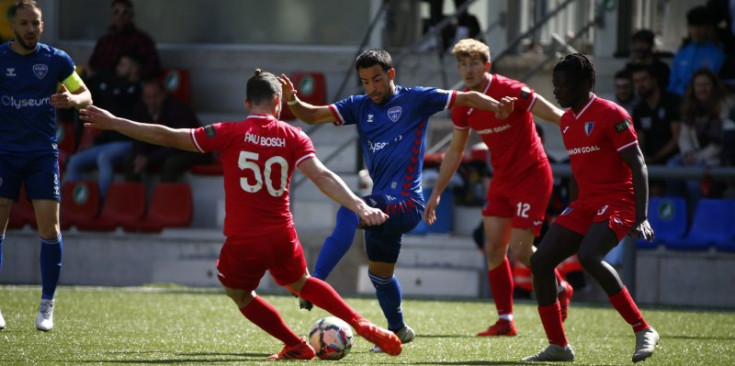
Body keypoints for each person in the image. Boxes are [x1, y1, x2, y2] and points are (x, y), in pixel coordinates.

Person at [79, 69, 403, 360]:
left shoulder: (228, 132)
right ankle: (359, 322)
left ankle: (296, 345)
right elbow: (323, 176)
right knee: (301, 282)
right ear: (278, 102)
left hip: (244, 237)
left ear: (247, 103)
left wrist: (114, 121)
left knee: (239, 292)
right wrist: (360, 206)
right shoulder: (294, 136)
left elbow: (168, 135)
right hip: (282, 233)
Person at [279, 48, 515, 352]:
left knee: (349, 210)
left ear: (391, 74)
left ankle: (313, 286)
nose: (372, 88)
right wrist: (293, 101)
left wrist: (497, 107)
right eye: (365, 81)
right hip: (382, 204)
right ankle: (399, 329)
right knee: (380, 274)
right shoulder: (358, 106)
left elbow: (467, 98)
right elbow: (313, 114)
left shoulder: (416, 99)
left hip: (406, 203)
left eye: (377, 79)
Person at [423, 38, 573, 337]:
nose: (468, 69)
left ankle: (561, 286)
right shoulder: (463, 103)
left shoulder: (512, 90)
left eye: (474, 63)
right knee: (493, 249)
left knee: (520, 250)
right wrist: (436, 192)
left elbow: (556, 116)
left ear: (487, 65)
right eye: (463, 64)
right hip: (502, 179)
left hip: (532, 175)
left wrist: (589, 139)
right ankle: (505, 320)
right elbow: (454, 151)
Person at [523, 53, 658, 363]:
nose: (557, 92)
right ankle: (558, 345)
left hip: (619, 202)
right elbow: (580, 168)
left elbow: (638, 164)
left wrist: (642, 217)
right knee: (541, 261)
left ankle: (643, 329)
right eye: (555, 85)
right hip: (586, 203)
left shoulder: (612, 113)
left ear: (587, 84)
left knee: (588, 256)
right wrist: (572, 209)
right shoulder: (568, 120)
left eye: (564, 86)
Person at [0, 0, 92, 332]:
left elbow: (86, 95)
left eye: (35, 23)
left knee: (49, 229)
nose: (30, 29)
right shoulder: (1, 58)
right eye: (24, 23)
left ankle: (47, 305)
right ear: (13, 27)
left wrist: (72, 100)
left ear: (42, 25)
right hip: (4, 153)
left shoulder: (56, 59)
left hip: (41, 154)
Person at [124, 79, 211, 182]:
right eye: (148, 97)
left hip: (192, 148)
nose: (152, 101)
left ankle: (165, 196)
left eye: (155, 96)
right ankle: (134, 195)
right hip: (162, 149)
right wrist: (140, 155)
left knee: (171, 164)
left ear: (163, 95)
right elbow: (137, 136)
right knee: (130, 160)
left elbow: (176, 143)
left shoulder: (177, 110)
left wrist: (149, 159)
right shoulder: (140, 109)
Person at [666, 69, 730, 205]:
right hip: (693, 156)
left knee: (693, 180)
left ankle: (697, 217)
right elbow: (683, 137)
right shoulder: (689, 108)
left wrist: (696, 158)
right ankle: (675, 214)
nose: (702, 89)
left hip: (713, 159)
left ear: (713, 87)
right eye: (699, 85)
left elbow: (718, 144)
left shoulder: (724, 107)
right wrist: (688, 154)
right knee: (671, 167)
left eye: (706, 85)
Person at [630, 63, 682, 196]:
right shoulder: (638, 108)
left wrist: (655, 158)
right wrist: (644, 157)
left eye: (644, 79)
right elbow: (639, 138)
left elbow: (676, 139)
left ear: (654, 80)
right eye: (636, 81)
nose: (640, 84)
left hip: (672, 158)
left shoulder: (672, 101)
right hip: (650, 161)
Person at [86, 0, 161, 80]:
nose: (120, 16)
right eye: (116, 12)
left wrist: (137, 72)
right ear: (111, 15)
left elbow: (153, 67)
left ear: (131, 16)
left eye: (124, 12)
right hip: (102, 84)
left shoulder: (142, 40)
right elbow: (92, 65)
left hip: (127, 86)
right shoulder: (104, 41)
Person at [668, 6, 725, 96]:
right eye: (693, 27)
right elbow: (673, 82)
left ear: (708, 29)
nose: (696, 31)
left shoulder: (717, 54)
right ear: (688, 28)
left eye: (701, 27)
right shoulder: (682, 52)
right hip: (678, 100)